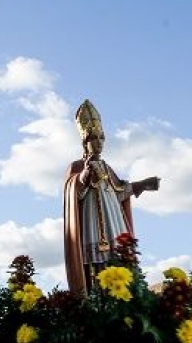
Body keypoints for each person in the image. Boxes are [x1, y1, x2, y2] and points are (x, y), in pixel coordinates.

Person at [63, 99, 160, 295]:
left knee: (119, 259)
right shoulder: (77, 167)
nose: (98, 143)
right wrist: (85, 175)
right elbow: (74, 192)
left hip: (113, 223)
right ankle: (96, 297)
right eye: (93, 139)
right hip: (91, 225)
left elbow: (119, 193)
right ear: (85, 142)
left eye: (101, 138)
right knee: (97, 265)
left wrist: (141, 184)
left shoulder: (108, 168)